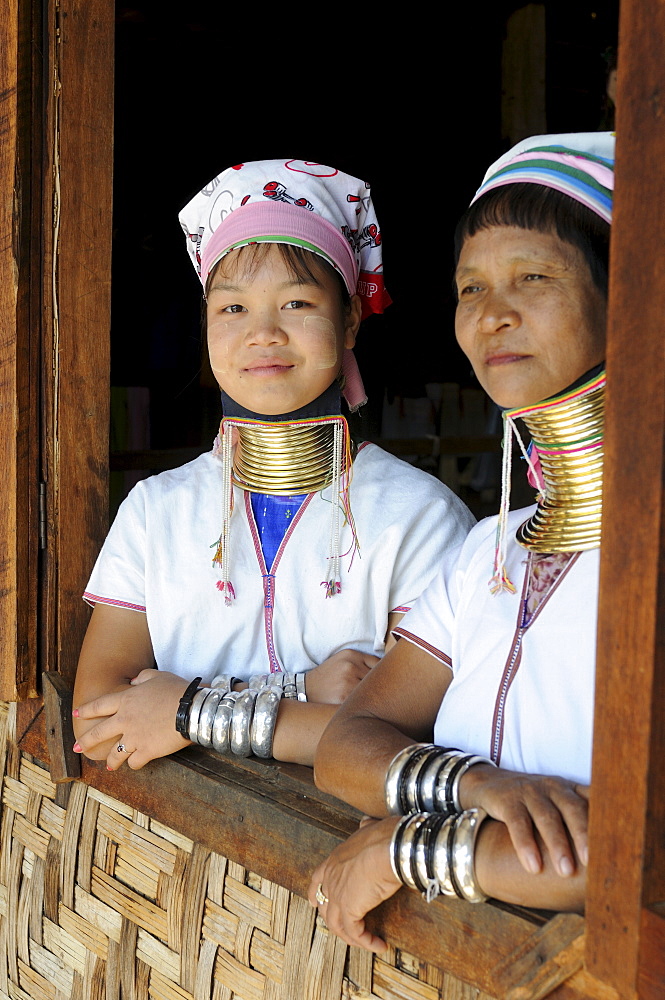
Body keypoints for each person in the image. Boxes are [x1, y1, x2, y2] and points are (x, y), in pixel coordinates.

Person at [308, 133, 614, 951]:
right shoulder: (490, 549)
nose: (489, 313)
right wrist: (471, 784)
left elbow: (635, 856)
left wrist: (411, 845)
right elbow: (345, 747)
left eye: (534, 277)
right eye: (468, 287)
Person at [72, 159, 474, 771]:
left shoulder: (419, 517)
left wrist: (182, 712)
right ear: (204, 327)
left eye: (295, 303)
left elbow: (408, 734)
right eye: (232, 309)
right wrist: (304, 693)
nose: (263, 333)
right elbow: (98, 718)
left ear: (348, 321)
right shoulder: (155, 512)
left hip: (335, 847)